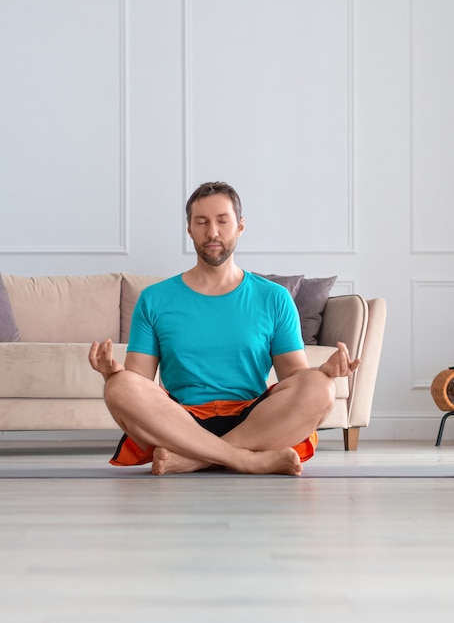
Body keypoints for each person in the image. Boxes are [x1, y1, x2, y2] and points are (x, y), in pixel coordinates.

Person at [89, 181, 360, 476]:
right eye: (201, 222)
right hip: (181, 421)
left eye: (222, 221)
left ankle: (197, 459)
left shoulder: (274, 297)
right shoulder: (154, 299)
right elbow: (138, 382)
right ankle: (246, 460)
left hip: (255, 420)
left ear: (240, 226)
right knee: (118, 387)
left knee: (321, 387)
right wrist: (111, 374)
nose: (213, 232)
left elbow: (293, 376)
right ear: (189, 229)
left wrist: (324, 372)